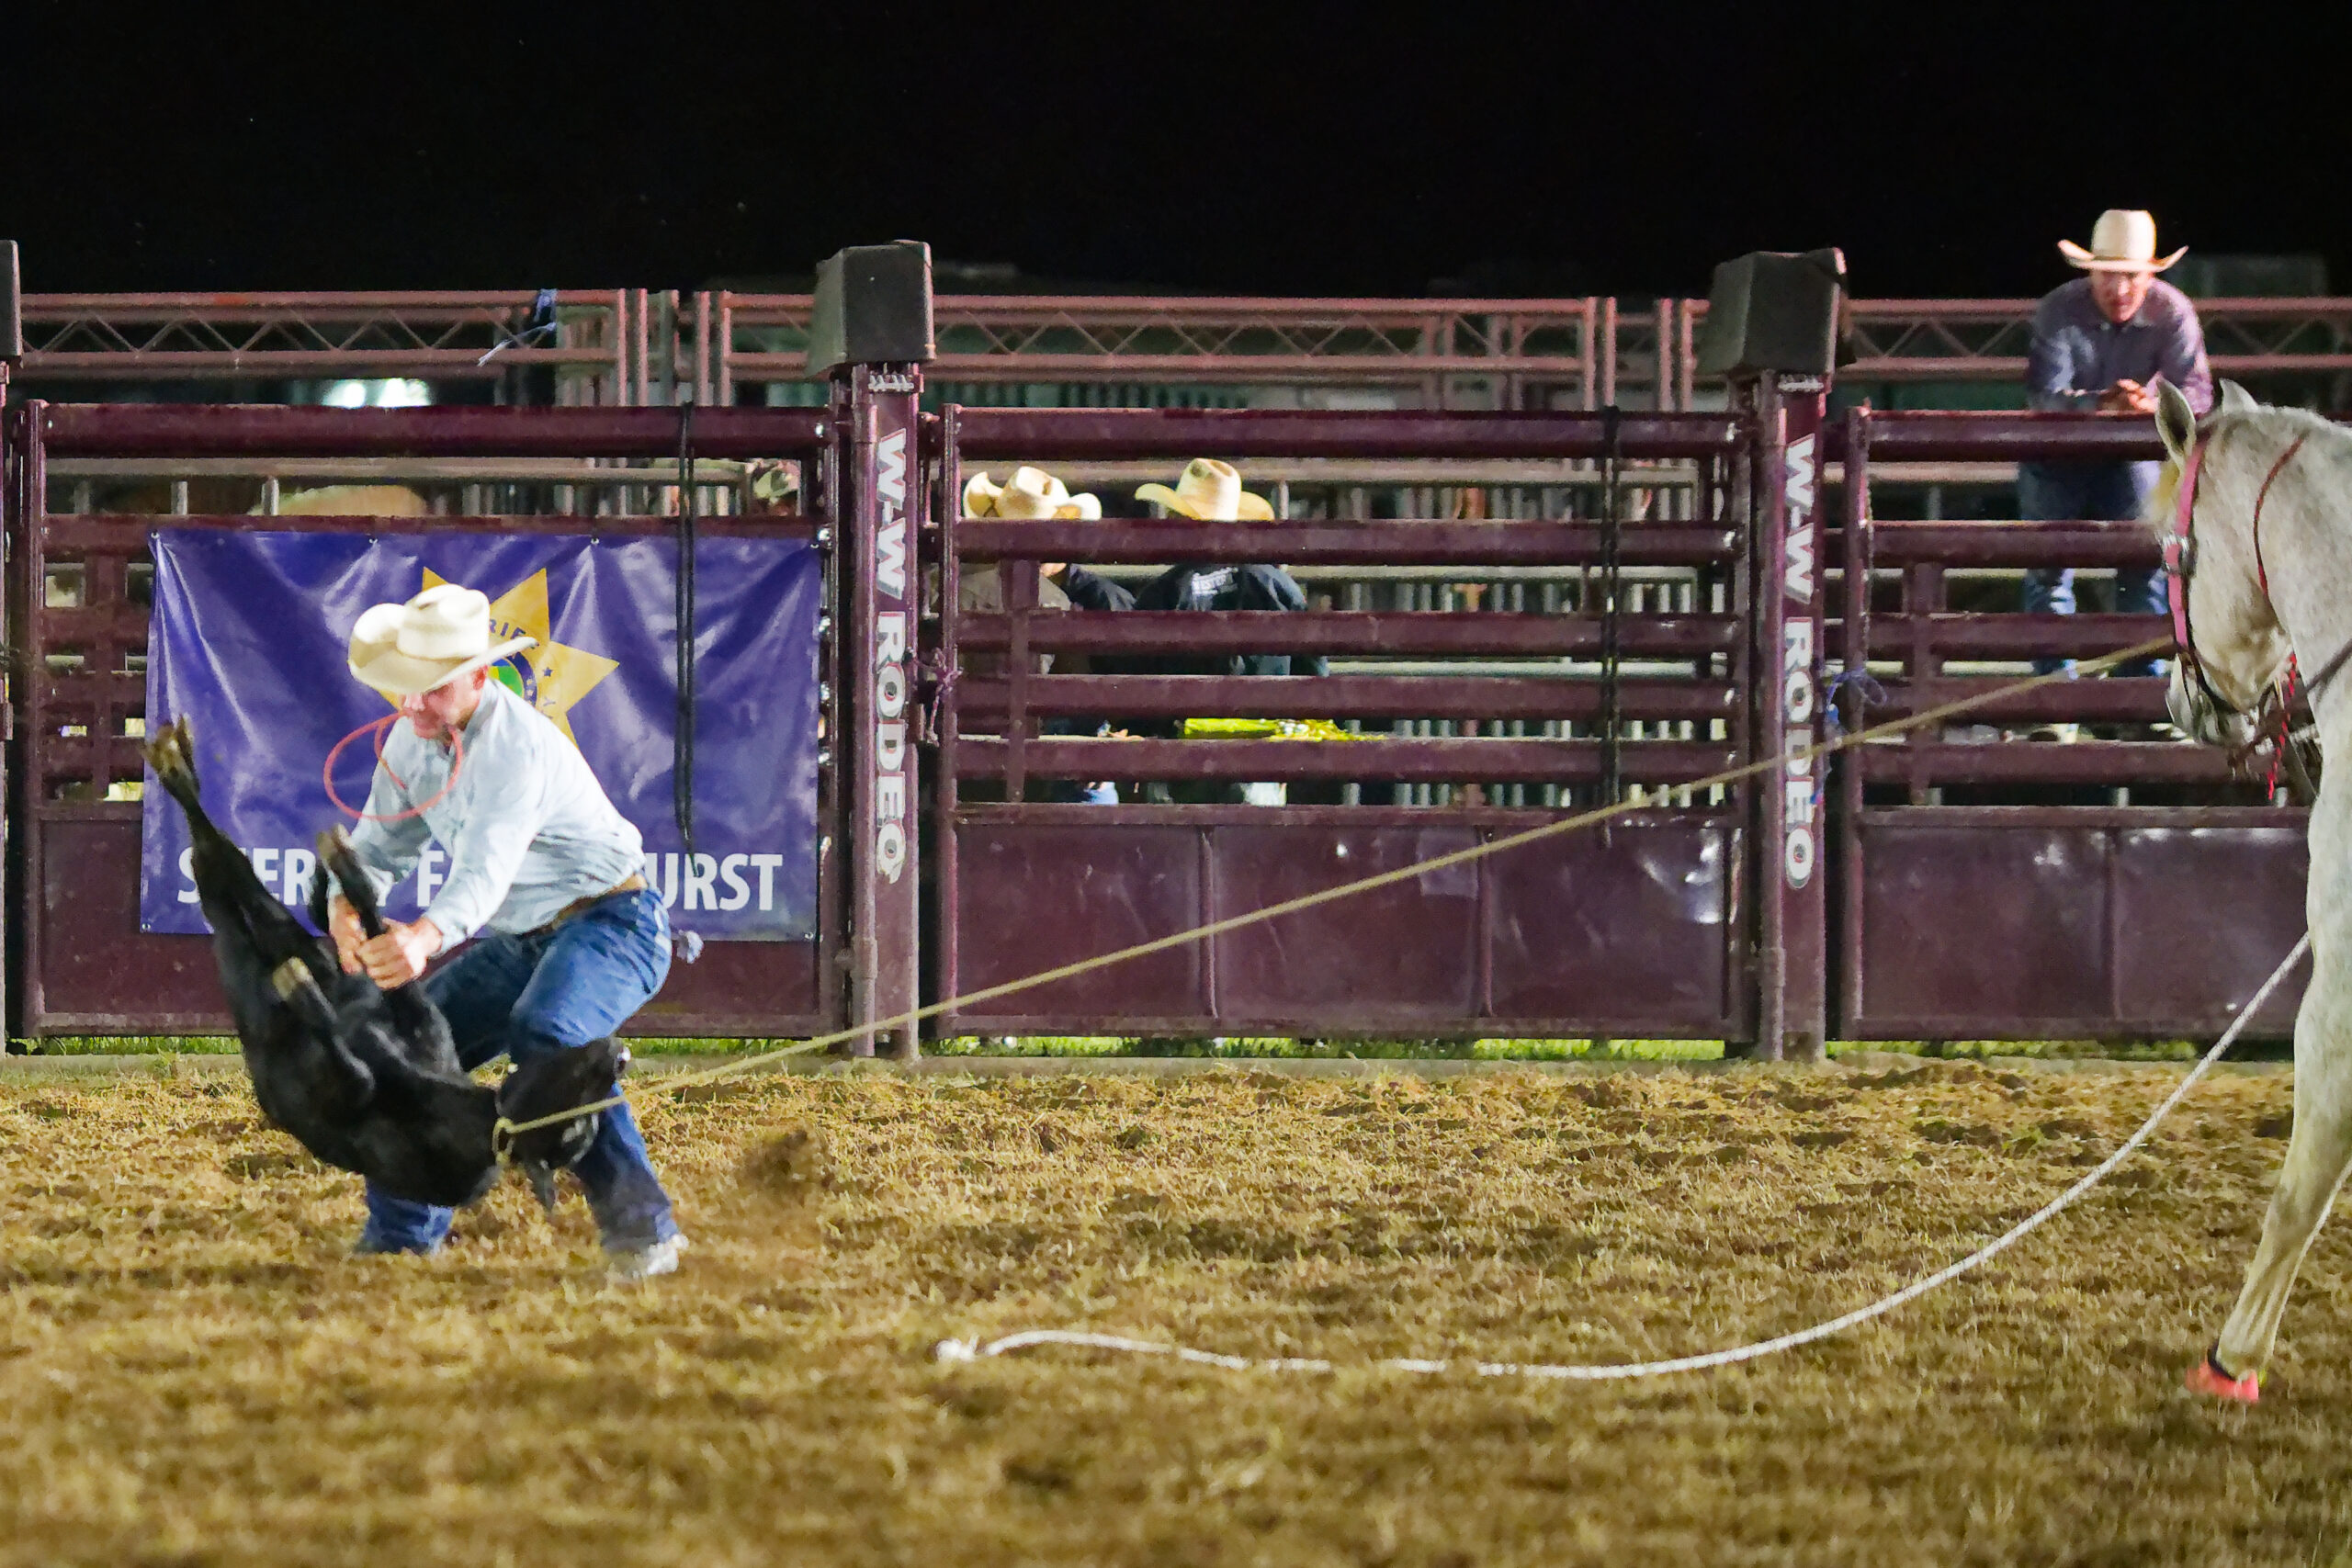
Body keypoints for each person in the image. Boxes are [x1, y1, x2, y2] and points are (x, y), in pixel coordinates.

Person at [326, 583, 685, 1280]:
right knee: (405, 1047)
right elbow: (375, 850)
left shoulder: (515, 748)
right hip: (527, 937)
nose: (413, 704)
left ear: (480, 678)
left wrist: (423, 937)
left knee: (550, 1035)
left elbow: (484, 873)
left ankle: (646, 1230)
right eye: (407, 687)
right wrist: (347, 904)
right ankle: (402, 1234)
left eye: (432, 689)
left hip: (616, 920)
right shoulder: (410, 740)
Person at [2020, 209, 2213, 682]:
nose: (2120, 289)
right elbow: (2042, 398)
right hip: (2059, 457)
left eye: (2130, 275)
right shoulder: (2059, 310)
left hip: (2131, 455)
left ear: (2149, 274)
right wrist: (2102, 405)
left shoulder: (2173, 313)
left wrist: (2150, 405)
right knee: (2049, 569)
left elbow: (2198, 393)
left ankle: (2138, 692)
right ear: (2092, 272)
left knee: (2146, 562)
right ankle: (2056, 696)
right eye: (2109, 274)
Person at [1131, 459, 1328, 806]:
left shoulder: (1164, 592)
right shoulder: (1276, 585)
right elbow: (1313, 671)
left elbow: (1138, 681)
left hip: (1184, 759)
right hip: (1260, 756)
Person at [962, 467, 1135, 802]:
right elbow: (1072, 691)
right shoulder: (1059, 603)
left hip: (956, 757)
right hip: (1030, 763)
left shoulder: (945, 587)